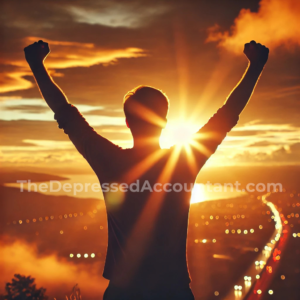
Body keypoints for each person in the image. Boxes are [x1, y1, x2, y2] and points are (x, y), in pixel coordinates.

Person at [24, 40, 269, 300]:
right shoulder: (183, 163)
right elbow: (227, 115)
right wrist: (255, 67)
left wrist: (37, 66)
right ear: (164, 121)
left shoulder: (109, 161)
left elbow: (65, 113)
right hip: (173, 290)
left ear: (127, 122)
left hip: (122, 292)